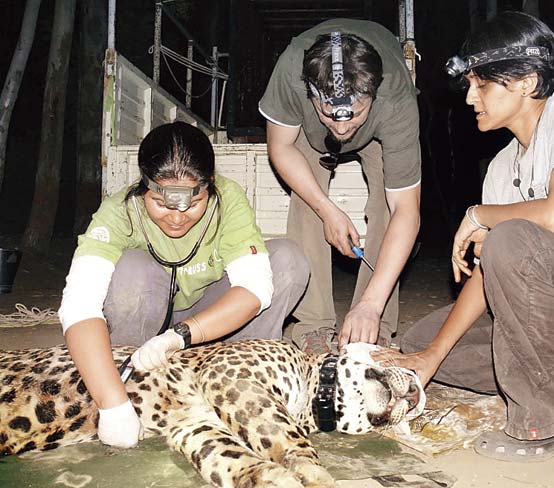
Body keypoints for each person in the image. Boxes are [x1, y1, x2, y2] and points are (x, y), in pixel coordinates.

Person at [377, 11, 554, 461]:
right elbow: (490, 274)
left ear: (524, 80)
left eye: (480, 85)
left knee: (509, 237)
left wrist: (480, 215)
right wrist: (430, 356)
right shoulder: (504, 166)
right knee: (424, 338)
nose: (470, 98)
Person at [58, 121, 309, 449]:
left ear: (211, 185)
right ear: (142, 188)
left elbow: (256, 288)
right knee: (130, 270)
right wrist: (111, 405)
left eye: (192, 204)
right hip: (148, 319)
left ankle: (240, 382)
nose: (177, 218)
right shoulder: (119, 211)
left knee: (287, 261)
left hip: (209, 316)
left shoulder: (228, 199)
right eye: (161, 204)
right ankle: (133, 388)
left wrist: (181, 336)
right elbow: (79, 304)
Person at [259, 19, 421, 354]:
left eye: (353, 114)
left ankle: (374, 324)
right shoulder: (292, 70)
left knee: (386, 209)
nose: (343, 126)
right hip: (307, 131)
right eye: (331, 114)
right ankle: (312, 326)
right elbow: (280, 148)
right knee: (306, 197)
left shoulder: (394, 98)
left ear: (373, 94)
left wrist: (370, 305)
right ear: (311, 94)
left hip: (379, 127)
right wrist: (328, 210)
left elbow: (406, 208)